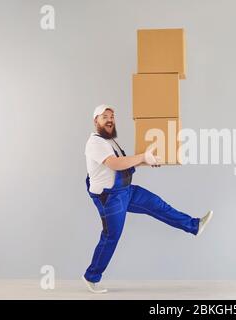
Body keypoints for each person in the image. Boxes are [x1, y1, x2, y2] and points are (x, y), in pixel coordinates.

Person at [82, 104, 213, 293]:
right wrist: (142, 156)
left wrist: (147, 161)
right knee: (111, 237)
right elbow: (116, 164)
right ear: (96, 121)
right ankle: (91, 277)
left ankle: (194, 225)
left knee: (158, 205)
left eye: (112, 116)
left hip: (125, 191)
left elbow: (125, 165)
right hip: (110, 198)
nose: (110, 120)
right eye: (105, 117)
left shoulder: (110, 142)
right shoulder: (95, 143)